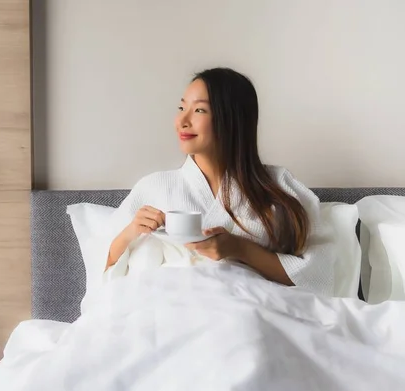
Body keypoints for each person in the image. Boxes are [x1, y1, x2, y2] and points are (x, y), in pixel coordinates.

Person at [104, 67, 336, 296]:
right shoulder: (153, 187)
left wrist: (240, 248)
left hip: (253, 308)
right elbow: (105, 272)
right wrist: (131, 231)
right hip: (170, 307)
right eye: (181, 107)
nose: (182, 120)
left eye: (200, 110)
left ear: (232, 119)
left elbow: (317, 275)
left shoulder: (278, 185)